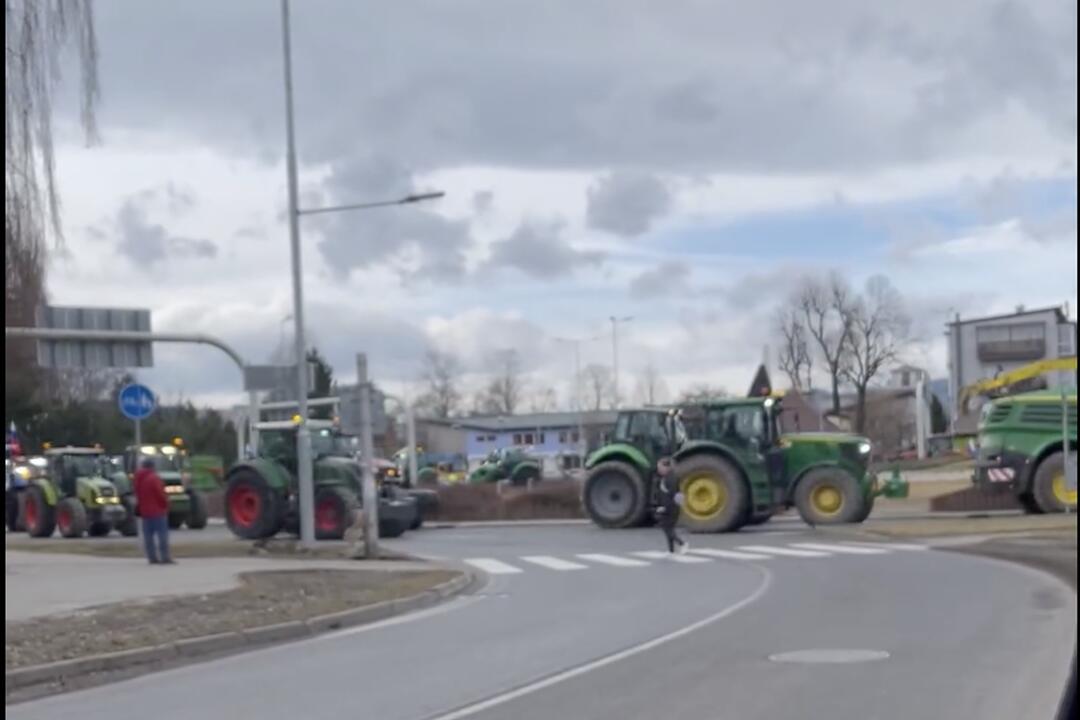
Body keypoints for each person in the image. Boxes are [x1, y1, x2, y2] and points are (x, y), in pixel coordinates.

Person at [133, 458, 174, 565]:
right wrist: (166, 504)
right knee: (162, 535)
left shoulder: (138, 479)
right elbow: (160, 494)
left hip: (145, 511)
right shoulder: (154, 478)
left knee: (148, 536)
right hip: (157, 511)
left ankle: (152, 557)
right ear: (152, 466)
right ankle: (165, 557)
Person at [655, 458, 688, 555]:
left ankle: (682, 543)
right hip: (670, 506)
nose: (659, 470)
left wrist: (665, 507)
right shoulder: (667, 477)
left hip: (671, 507)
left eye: (660, 467)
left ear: (666, 467)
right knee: (667, 528)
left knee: (667, 528)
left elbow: (672, 495)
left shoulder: (671, 478)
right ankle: (671, 550)